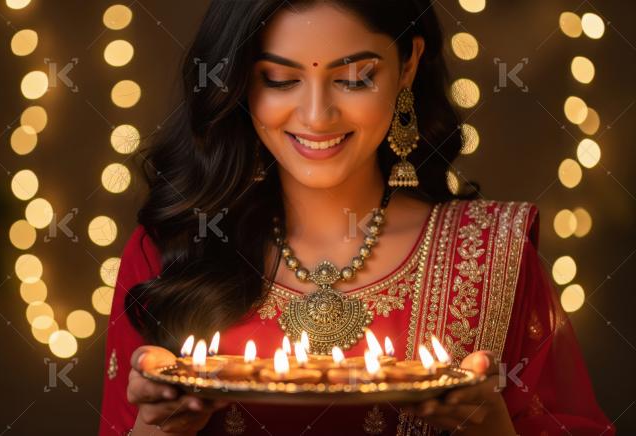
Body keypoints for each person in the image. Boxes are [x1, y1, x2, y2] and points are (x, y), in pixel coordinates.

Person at [100, 1, 613, 434]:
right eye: (280, 80)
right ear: (238, 83)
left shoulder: (492, 253)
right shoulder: (173, 252)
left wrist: (491, 427)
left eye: (354, 78)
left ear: (408, 64)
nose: (317, 116)